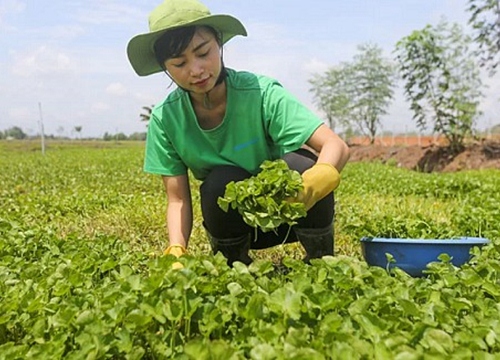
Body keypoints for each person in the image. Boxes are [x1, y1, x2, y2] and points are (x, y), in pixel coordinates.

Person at [127, 0, 350, 267]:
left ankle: (320, 258)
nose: (196, 70)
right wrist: (176, 248)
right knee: (220, 182)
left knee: (303, 164)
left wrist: (316, 181)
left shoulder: (261, 92)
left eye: (202, 52)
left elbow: (335, 145)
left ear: (219, 44)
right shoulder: (166, 118)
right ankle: (234, 264)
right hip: (234, 225)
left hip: (291, 212)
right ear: (166, 68)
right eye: (179, 63)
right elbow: (177, 199)